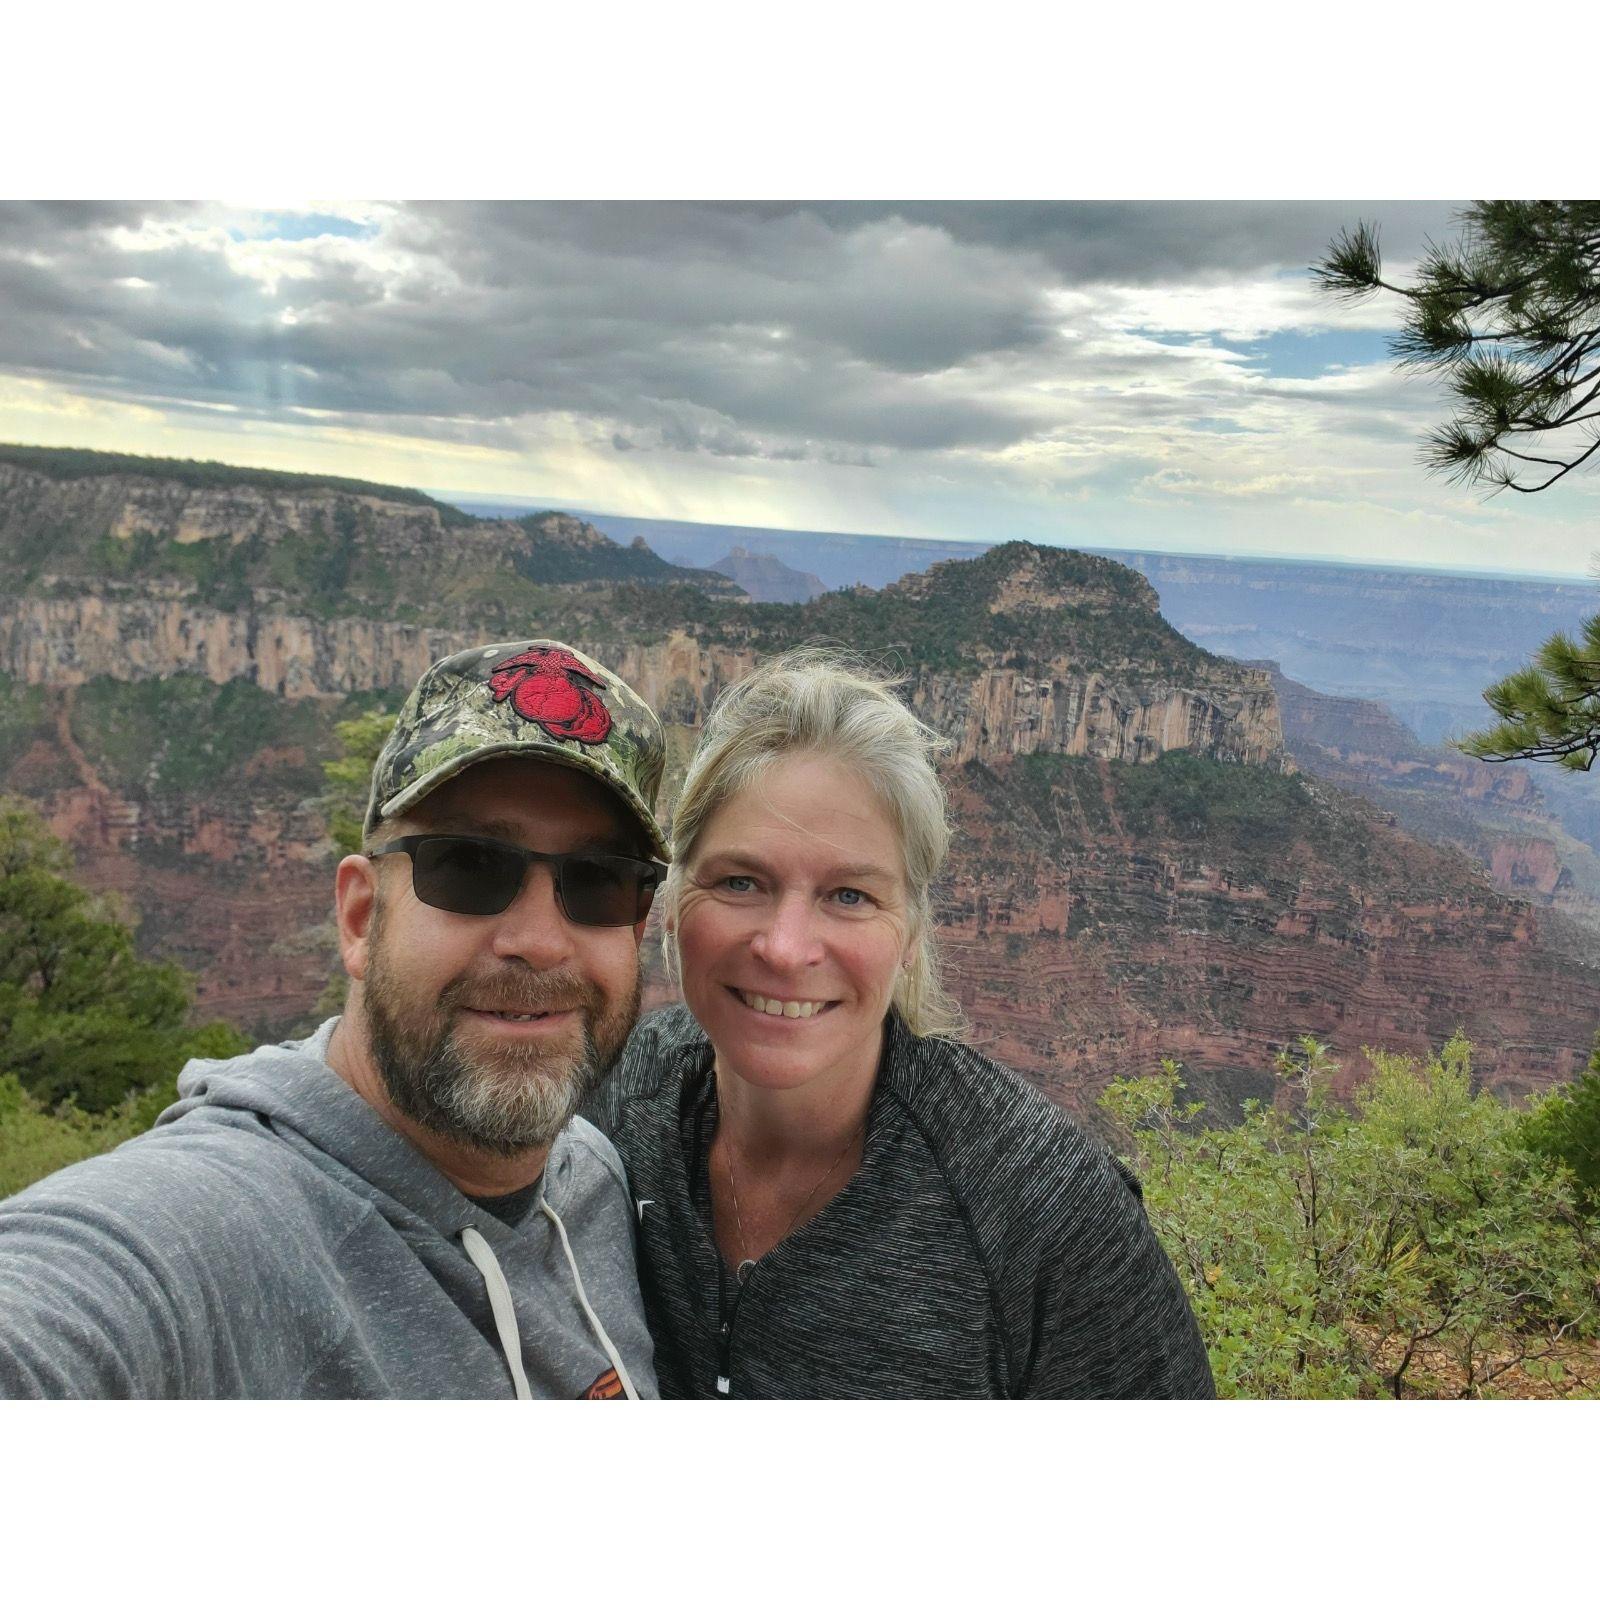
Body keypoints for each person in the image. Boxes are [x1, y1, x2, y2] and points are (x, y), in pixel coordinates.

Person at [0, 639, 667, 1399]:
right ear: (359, 918)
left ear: (637, 928)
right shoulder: (213, 1230)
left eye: (601, 881)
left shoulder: (597, 1183)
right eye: (470, 866)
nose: (540, 943)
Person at [588, 649, 1215, 1398]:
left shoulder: (1040, 1207)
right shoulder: (617, 1105)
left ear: (911, 931)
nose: (785, 949)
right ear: (675, 897)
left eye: (849, 895)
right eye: (740, 881)